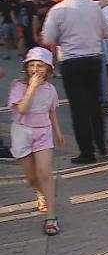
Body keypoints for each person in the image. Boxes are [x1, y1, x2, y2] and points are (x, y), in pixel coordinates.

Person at [41, 0, 108, 164]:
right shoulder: (94, 7)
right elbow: (106, 33)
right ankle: (102, 145)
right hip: (93, 59)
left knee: (79, 108)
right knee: (94, 104)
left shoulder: (58, 10)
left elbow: (47, 39)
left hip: (72, 60)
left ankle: (87, 152)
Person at [7, 48, 64, 236]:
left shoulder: (50, 89)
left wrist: (58, 132)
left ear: (48, 69)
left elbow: (52, 111)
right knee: (32, 177)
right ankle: (39, 193)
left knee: (45, 173)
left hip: (43, 133)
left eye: (40, 66)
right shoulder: (18, 86)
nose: (35, 69)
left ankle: (51, 217)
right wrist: (31, 87)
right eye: (31, 65)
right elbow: (22, 109)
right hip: (22, 132)